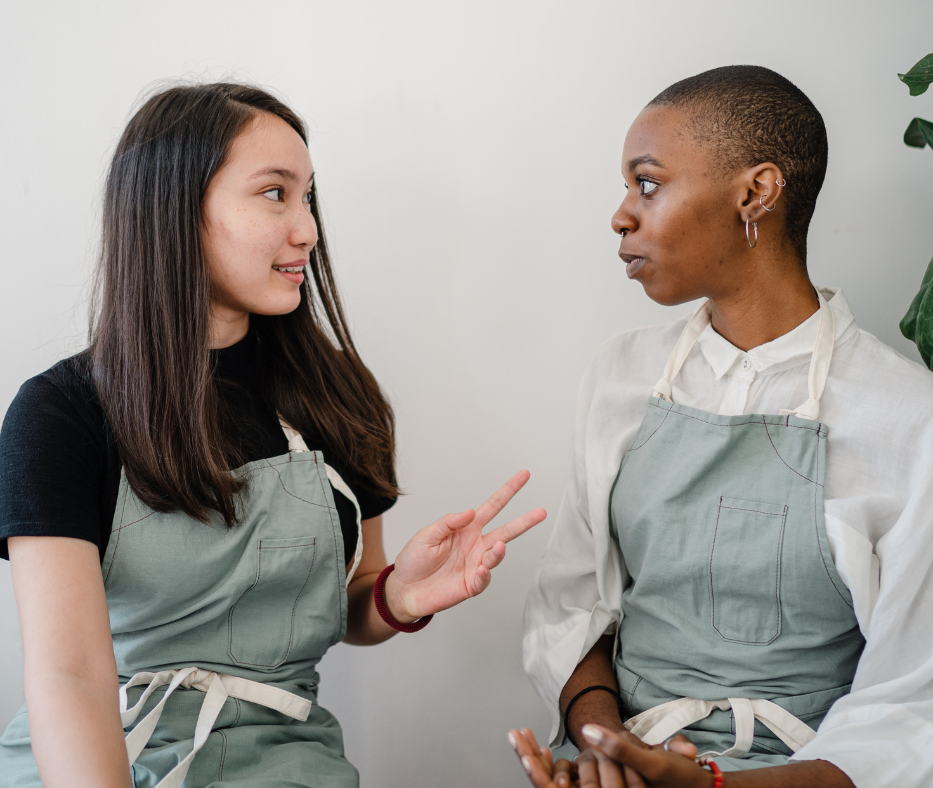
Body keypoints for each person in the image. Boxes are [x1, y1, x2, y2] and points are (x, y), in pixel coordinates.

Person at [0, 82, 546, 788]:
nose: (308, 229)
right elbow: (69, 676)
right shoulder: (61, 414)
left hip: (288, 761)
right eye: (274, 194)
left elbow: (354, 605)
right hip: (101, 756)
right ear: (174, 210)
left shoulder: (339, 395)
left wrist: (393, 599)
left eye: (308, 196)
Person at [508, 66, 933, 788]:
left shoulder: (910, 417)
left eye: (646, 183)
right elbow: (572, 607)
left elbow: (914, 710)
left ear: (755, 193)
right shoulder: (618, 377)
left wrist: (709, 786)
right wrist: (608, 750)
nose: (621, 214)